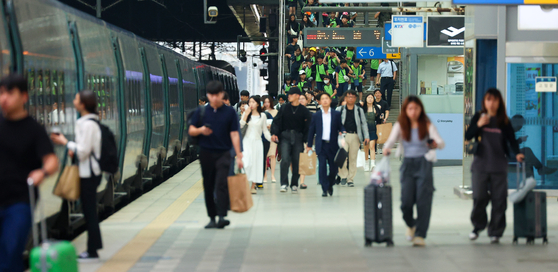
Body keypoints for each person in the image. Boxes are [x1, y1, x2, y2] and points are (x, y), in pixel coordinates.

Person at [0, 74, 59, 271]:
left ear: (24, 97)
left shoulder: (34, 129)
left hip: (20, 202)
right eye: (0, 93)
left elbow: (51, 160)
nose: (3, 98)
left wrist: (42, 172)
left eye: (9, 93)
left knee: (11, 251)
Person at [51, 89, 107, 261]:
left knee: (89, 211)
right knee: (89, 211)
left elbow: (83, 152)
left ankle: (92, 250)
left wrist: (66, 143)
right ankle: (93, 248)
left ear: (83, 104)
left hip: (89, 173)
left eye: (76, 98)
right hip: (89, 172)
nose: (73, 100)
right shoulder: (89, 122)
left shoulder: (88, 124)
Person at [383, 95, 445, 247]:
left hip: (424, 163)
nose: (413, 111)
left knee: (424, 200)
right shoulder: (401, 124)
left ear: (420, 110)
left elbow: (441, 142)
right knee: (406, 202)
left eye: (416, 108)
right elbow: (391, 140)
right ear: (406, 110)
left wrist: (436, 144)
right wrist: (386, 148)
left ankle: (420, 235)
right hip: (408, 165)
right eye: (410, 108)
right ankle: (411, 224)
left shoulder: (427, 124)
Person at [465, 88, 524, 244]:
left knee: (499, 200)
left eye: (495, 100)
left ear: (499, 103)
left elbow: (512, 140)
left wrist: (517, 153)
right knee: (479, 197)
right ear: (484, 102)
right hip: (480, 166)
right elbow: (468, 135)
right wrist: (478, 124)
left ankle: (496, 231)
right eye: (488, 100)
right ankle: (478, 227)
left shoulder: (504, 121)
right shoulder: (479, 116)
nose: (491, 103)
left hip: (498, 166)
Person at [188, 81, 243, 229]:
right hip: (206, 153)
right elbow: (192, 130)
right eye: (211, 95)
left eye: (217, 95)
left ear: (221, 94)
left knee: (221, 184)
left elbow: (234, 134)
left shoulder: (230, 112)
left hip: (224, 153)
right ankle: (212, 217)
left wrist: (239, 155)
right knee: (208, 184)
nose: (214, 98)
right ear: (208, 95)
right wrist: (201, 131)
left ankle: (221, 216)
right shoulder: (201, 112)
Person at [271, 87, 311, 193]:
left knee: (297, 161)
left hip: (298, 137)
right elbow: (276, 121)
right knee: (285, 160)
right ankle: (284, 183)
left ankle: (294, 183)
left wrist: (307, 140)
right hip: (285, 136)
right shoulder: (284, 108)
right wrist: (275, 133)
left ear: (297, 96)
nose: (288, 96)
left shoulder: (304, 111)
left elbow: (308, 126)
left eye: (291, 94)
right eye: (288, 94)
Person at [307, 93, 345, 197]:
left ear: (330, 100)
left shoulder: (336, 114)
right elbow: (311, 130)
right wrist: (309, 145)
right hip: (321, 144)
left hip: (333, 145)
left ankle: (330, 184)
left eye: (326, 98)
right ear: (319, 101)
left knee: (334, 168)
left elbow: (340, 126)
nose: (324, 101)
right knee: (322, 166)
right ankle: (324, 188)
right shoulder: (316, 115)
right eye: (322, 99)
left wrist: (342, 131)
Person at [336, 90, 369, 187]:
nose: (350, 98)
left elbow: (364, 123)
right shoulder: (339, 109)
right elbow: (335, 123)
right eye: (348, 96)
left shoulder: (359, 110)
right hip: (342, 136)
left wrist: (366, 136)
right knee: (342, 156)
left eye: (352, 97)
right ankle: (343, 176)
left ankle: (350, 179)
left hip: (355, 136)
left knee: (353, 158)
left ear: (355, 98)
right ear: (345, 98)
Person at [240, 96, 271, 194]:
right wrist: (246, 114)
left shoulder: (263, 116)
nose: (251, 104)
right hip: (246, 142)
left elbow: (265, 131)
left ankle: (253, 186)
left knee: (256, 164)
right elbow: (240, 125)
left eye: (253, 102)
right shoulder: (246, 114)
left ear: (257, 104)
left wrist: (271, 139)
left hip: (257, 142)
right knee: (246, 162)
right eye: (250, 102)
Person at [362, 93, 380, 171]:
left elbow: (379, 118)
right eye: (368, 97)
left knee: (372, 147)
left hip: (373, 129)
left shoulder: (376, 108)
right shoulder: (362, 108)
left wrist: (380, 115)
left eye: (371, 97)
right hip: (364, 130)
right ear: (366, 99)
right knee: (366, 148)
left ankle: (373, 164)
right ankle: (366, 163)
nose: (370, 99)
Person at [264, 97, 278, 183]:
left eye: (268, 102)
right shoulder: (261, 112)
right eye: (265, 102)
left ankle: (272, 175)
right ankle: (264, 175)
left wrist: (272, 127)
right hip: (264, 136)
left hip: (273, 135)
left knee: (273, 155)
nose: (267, 104)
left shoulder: (275, 112)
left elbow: (278, 124)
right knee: (265, 156)